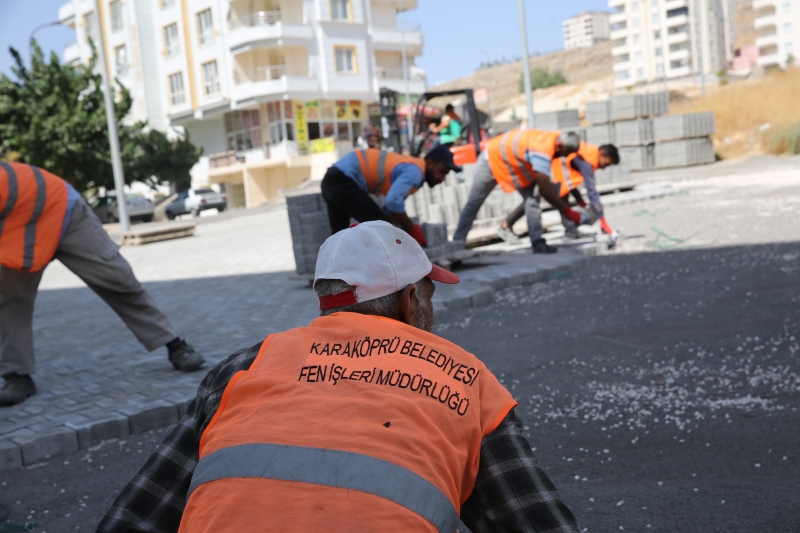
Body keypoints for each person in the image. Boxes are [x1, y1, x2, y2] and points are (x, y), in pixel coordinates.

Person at [96, 220, 581, 533]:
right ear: (412, 301)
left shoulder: (245, 366)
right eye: (430, 294)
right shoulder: (465, 380)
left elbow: (136, 514)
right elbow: (536, 520)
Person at [0, 162, 204, 407]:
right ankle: (16, 375)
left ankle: (175, 344)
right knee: (9, 300)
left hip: (61, 210)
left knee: (118, 279)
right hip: (14, 230)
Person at [452, 129, 584, 254]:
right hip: (492, 159)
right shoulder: (542, 149)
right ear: (560, 145)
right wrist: (568, 211)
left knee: (533, 199)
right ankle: (457, 243)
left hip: (516, 164)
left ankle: (537, 242)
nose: (563, 157)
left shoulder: (554, 139)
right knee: (474, 202)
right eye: (565, 153)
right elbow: (545, 190)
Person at [320, 145, 460, 246]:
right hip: (343, 181)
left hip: (331, 180)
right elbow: (393, 202)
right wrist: (411, 229)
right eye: (442, 171)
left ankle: (339, 277)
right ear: (430, 163)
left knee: (339, 238)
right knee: (383, 228)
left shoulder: (412, 166)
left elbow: (389, 208)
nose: (443, 178)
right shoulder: (415, 171)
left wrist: (401, 230)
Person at [497, 142, 621, 245]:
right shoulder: (587, 161)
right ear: (603, 155)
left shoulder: (588, 155)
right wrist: (604, 222)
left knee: (557, 197)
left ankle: (571, 230)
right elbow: (592, 191)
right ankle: (506, 226)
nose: (604, 168)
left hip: (556, 175)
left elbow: (570, 180)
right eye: (606, 164)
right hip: (548, 172)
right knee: (533, 200)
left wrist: (580, 201)